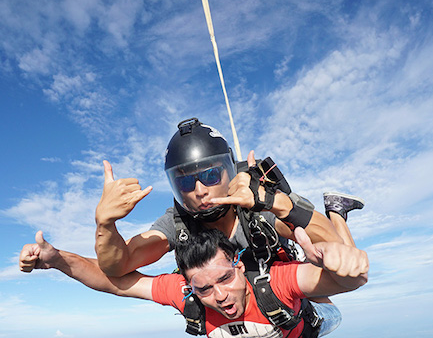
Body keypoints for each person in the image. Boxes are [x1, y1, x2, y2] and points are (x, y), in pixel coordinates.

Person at [19, 226, 368, 338]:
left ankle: (335, 216)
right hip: (279, 333)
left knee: (331, 313)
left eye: (225, 279)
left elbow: (351, 282)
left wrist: (342, 264)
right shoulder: (184, 292)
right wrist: (58, 260)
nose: (219, 296)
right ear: (190, 285)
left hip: (305, 323)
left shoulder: (276, 281)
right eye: (204, 288)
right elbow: (114, 282)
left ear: (238, 264)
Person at [94, 117, 364, 278]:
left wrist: (270, 200)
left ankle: (336, 209)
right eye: (186, 181)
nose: (200, 190)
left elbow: (333, 243)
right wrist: (105, 224)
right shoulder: (179, 224)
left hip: (277, 264)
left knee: (332, 284)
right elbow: (119, 264)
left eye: (210, 175)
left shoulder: (258, 205)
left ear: (229, 171)